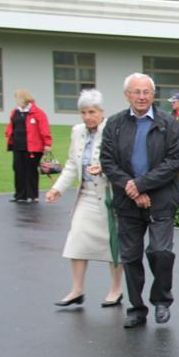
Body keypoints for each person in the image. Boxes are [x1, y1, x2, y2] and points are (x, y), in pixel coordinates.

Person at [99, 73, 179, 329]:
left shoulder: (168, 124)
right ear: (127, 94)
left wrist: (142, 184)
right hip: (127, 200)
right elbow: (108, 161)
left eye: (146, 91)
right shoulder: (114, 124)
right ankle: (136, 308)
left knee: (160, 252)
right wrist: (131, 188)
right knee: (131, 256)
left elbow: (175, 160)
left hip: (161, 199)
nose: (142, 96)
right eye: (136, 91)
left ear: (153, 94)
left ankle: (161, 299)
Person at [46, 89, 124, 308]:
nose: (88, 116)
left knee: (113, 245)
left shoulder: (113, 129)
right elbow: (72, 163)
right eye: (83, 112)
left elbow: (122, 163)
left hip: (108, 194)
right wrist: (57, 189)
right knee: (76, 241)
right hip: (86, 194)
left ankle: (116, 290)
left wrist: (105, 168)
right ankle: (77, 290)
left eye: (92, 112)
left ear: (101, 112)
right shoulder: (77, 131)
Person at [5, 89, 51, 203]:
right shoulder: (15, 112)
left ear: (23, 98)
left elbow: (44, 129)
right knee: (18, 169)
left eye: (17, 98)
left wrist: (47, 143)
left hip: (33, 148)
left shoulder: (38, 113)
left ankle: (32, 195)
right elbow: (12, 125)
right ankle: (20, 195)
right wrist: (8, 133)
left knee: (30, 171)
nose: (16, 101)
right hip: (18, 146)